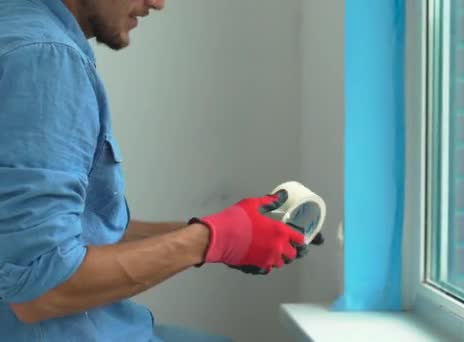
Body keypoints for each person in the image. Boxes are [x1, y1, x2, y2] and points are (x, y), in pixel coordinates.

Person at [0, 0, 323, 341]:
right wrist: (211, 240)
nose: (157, 2)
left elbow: (68, 233)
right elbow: (43, 289)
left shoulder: (16, 26)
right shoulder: (45, 59)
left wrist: (222, 232)